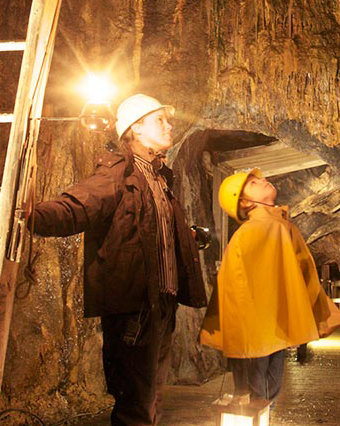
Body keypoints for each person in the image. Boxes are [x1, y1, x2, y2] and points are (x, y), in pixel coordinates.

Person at [30, 93, 207, 426]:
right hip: (135, 308)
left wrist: (188, 238)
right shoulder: (119, 174)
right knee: (135, 404)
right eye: (160, 120)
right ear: (136, 128)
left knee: (152, 396)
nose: (169, 126)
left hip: (162, 305)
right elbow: (79, 206)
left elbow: (153, 232)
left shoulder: (160, 178)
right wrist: (34, 216)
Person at [199, 169, 340, 403]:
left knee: (265, 391)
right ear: (245, 202)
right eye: (254, 183)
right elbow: (237, 291)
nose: (264, 180)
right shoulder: (251, 234)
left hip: (272, 327)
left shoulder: (278, 226)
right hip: (258, 332)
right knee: (260, 394)